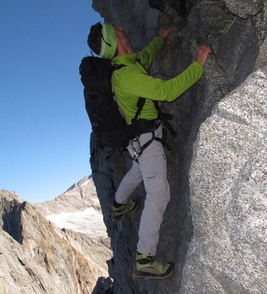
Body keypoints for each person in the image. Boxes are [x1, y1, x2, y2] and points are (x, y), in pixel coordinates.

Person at [87, 22, 211, 280]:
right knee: (159, 195)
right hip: (147, 142)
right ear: (116, 41)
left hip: (135, 142)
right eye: (117, 29)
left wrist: (160, 39)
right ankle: (145, 258)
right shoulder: (126, 76)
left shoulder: (123, 65)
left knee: (137, 171)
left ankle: (118, 206)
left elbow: (143, 57)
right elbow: (167, 92)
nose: (122, 26)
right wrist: (197, 65)